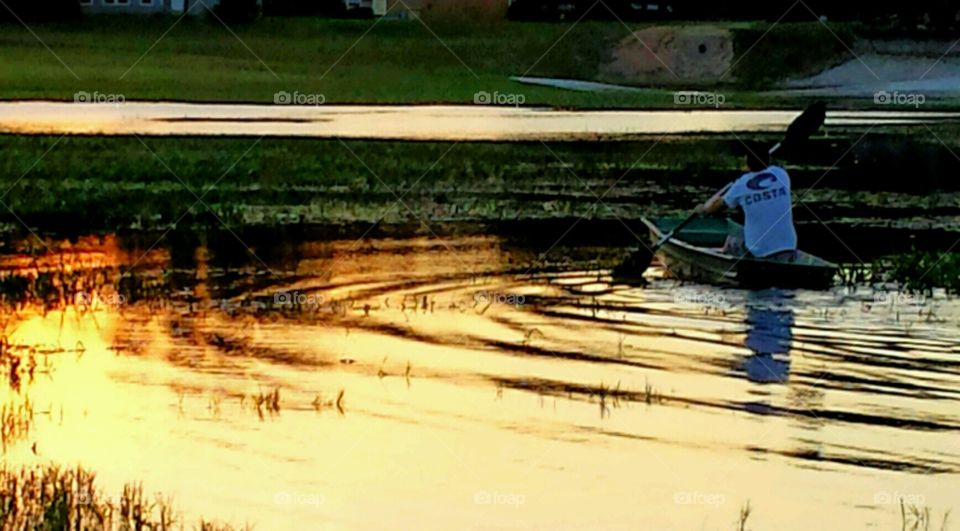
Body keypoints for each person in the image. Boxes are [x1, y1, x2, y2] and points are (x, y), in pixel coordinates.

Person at [697, 146, 798, 260]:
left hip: (760, 252)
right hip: (789, 246)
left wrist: (703, 210)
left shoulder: (741, 184)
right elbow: (772, 166)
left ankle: (724, 257)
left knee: (734, 234)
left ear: (747, 163)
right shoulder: (782, 175)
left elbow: (717, 205)